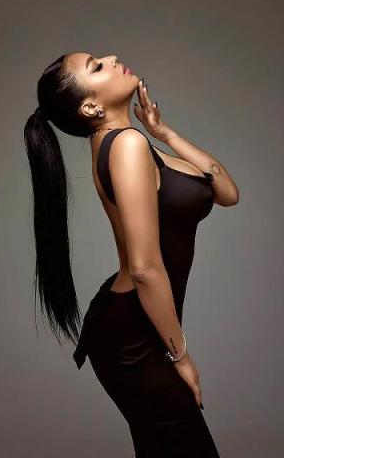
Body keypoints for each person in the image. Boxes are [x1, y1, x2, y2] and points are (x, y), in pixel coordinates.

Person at [23, 52, 240, 457]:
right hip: (134, 338)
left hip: (140, 325)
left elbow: (227, 192)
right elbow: (143, 269)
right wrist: (181, 356)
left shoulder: (134, 142)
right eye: (96, 66)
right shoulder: (125, 146)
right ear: (91, 107)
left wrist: (163, 132)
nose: (111, 58)